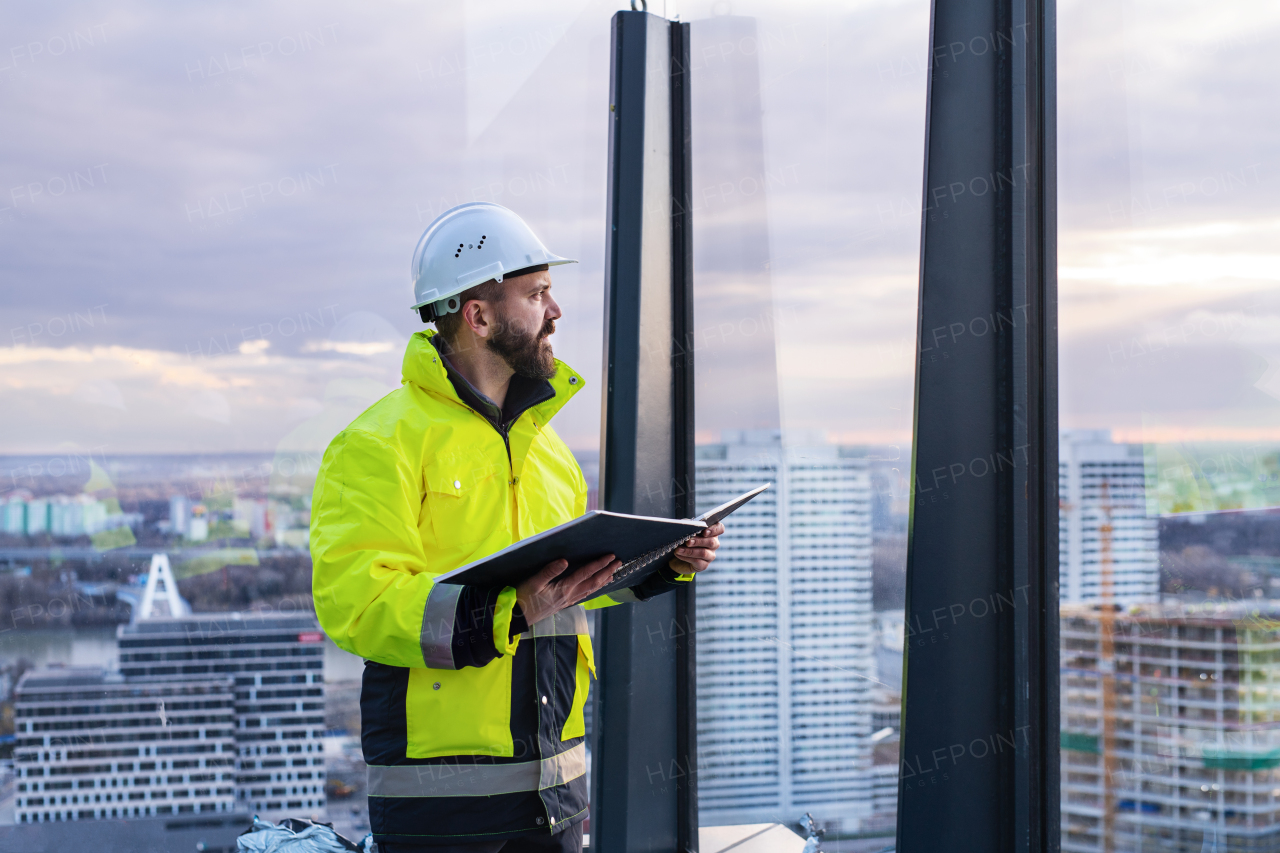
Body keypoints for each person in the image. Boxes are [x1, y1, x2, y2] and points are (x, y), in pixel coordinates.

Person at [310, 202, 724, 852]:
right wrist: (505, 612)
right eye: (536, 294)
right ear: (477, 315)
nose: (555, 312)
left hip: (558, 792)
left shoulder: (548, 452)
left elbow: (566, 590)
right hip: (445, 806)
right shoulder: (377, 443)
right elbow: (357, 603)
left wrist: (663, 563)